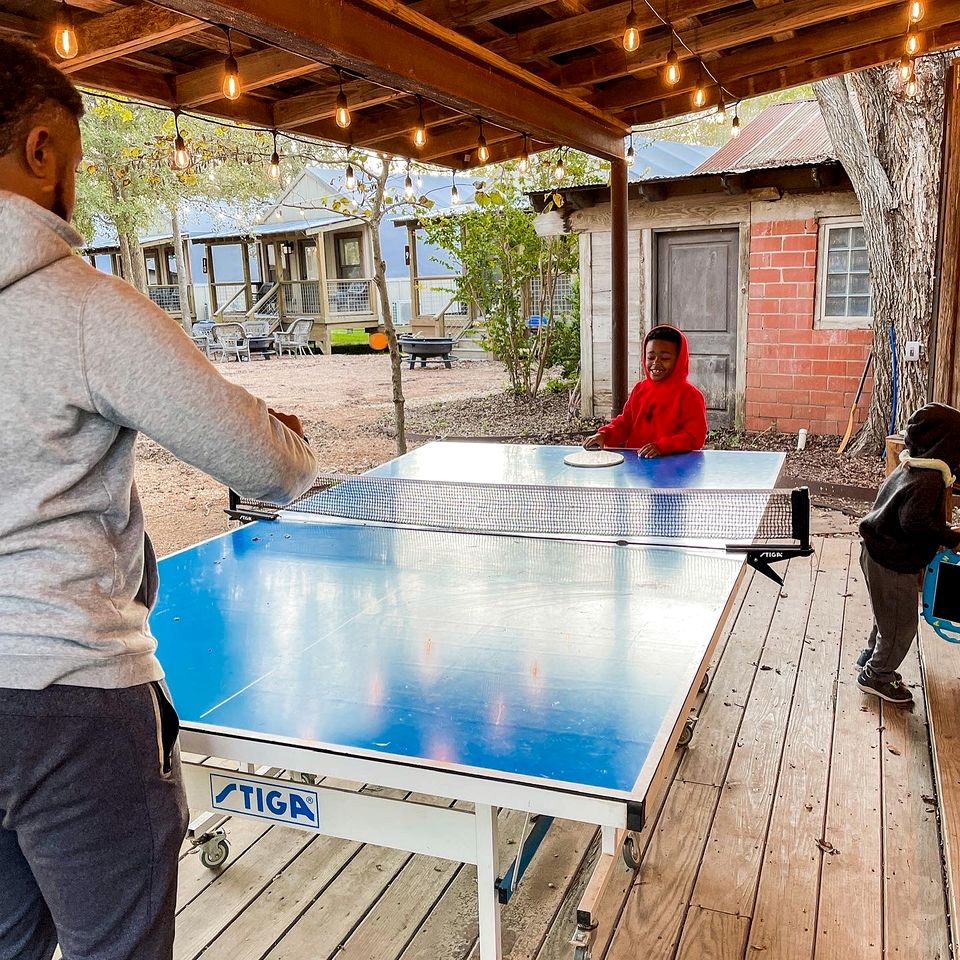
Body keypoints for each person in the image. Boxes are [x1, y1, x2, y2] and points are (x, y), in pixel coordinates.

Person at [0, 40, 317, 960]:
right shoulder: (85, 308)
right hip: (68, 699)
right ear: (41, 151)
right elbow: (267, 466)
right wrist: (282, 432)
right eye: (74, 158)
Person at [857, 402, 960, 706]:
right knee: (902, 624)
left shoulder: (912, 467)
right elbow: (913, 522)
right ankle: (877, 675)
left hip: (875, 551)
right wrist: (948, 535)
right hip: (891, 561)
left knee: (887, 613)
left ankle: (872, 655)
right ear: (945, 445)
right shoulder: (928, 480)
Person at [583, 324, 708, 457]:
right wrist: (604, 434)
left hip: (675, 469)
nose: (656, 363)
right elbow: (625, 423)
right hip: (637, 467)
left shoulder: (690, 395)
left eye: (665, 358)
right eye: (651, 357)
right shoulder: (639, 389)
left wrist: (662, 447)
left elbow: (694, 437)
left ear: (679, 359)